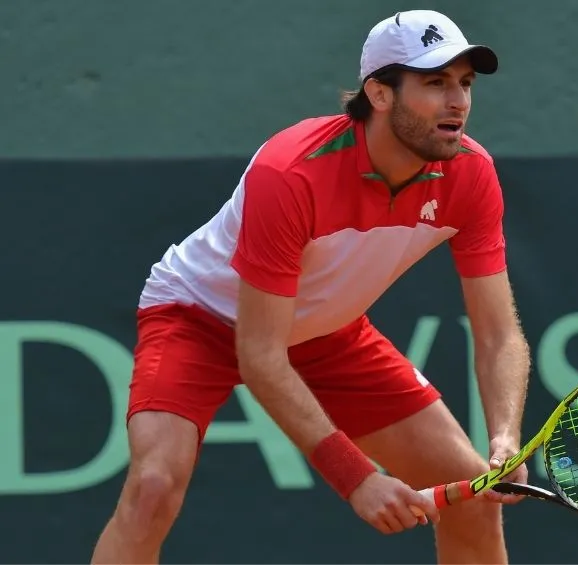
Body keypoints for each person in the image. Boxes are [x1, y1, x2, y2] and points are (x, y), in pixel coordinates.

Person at [90, 8, 531, 565]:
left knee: (472, 497)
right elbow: (260, 354)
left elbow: (498, 334)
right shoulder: (292, 172)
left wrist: (504, 436)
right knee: (153, 489)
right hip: (198, 316)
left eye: (464, 84)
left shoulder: (470, 174)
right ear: (379, 94)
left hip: (327, 333)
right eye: (435, 83)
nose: (458, 101)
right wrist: (356, 478)